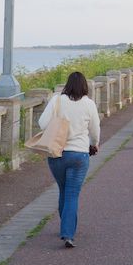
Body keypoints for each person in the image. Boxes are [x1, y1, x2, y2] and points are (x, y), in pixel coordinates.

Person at [39, 71, 100, 248]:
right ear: (84, 87)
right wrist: (94, 144)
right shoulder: (89, 104)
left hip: (57, 153)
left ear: (67, 84)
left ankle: (65, 227)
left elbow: (42, 123)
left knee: (63, 189)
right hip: (80, 154)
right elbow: (95, 130)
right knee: (72, 193)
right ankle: (68, 234)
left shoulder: (57, 100)